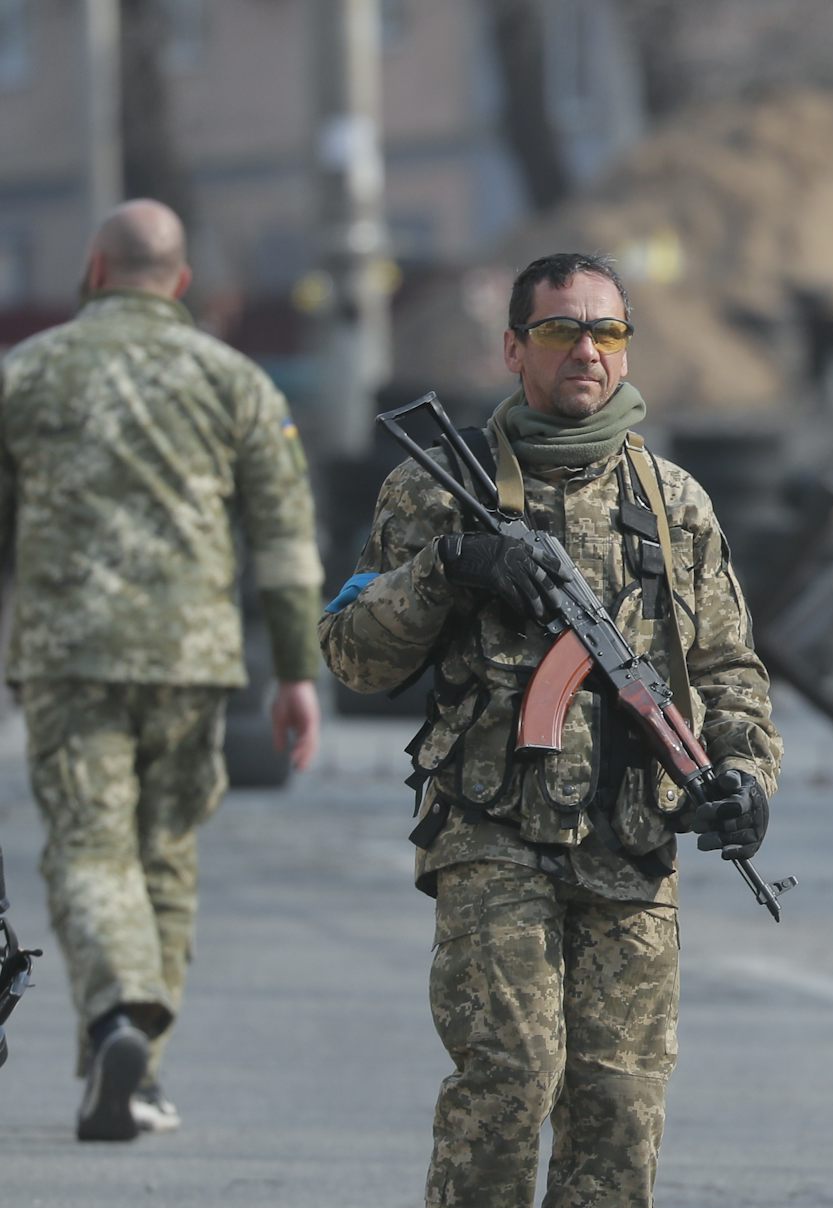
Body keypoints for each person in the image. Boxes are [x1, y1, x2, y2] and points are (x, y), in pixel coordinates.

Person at [320, 251, 781, 1207]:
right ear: (512, 348)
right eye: (561, 330)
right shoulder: (437, 487)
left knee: (618, 1106)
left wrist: (745, 776)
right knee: (511, 1079)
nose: (586, 350)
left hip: (634, 837)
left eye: (607, 331)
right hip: (493, 829)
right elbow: (355, 657)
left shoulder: (672, 502)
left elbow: (731, 670)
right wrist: (450, 565)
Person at [0, 199, 325, 1140]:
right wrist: (298, 672)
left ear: (95, 268)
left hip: (69, 658)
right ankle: (141, 1073)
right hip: (196, 662)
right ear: (182, 282)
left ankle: (116, 1018)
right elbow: (284, 538)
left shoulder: (26, 373)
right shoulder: (236, 382)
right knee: (166, 858)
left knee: (92, 847)